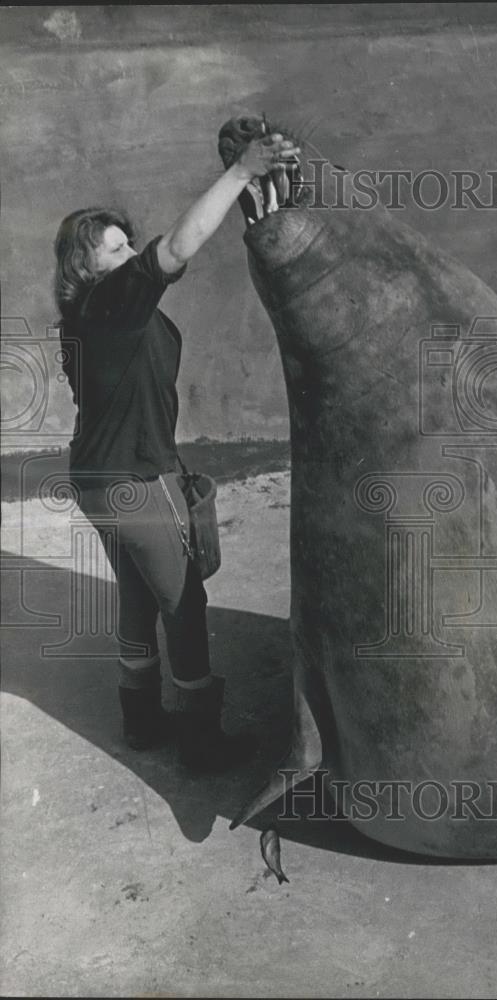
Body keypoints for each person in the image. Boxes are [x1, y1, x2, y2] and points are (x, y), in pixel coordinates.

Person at [53, 132, 298, 772]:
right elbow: (179, 245)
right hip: (138, 481)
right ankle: (202, 742)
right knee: (186, 607)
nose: (130, 253)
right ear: (86, 268)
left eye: (127, 244)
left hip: (96, 481)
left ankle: (140, 720)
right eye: (115, 249)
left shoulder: (86, 317)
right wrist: (241, 172)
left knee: (137, 598)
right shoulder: (114, 303)